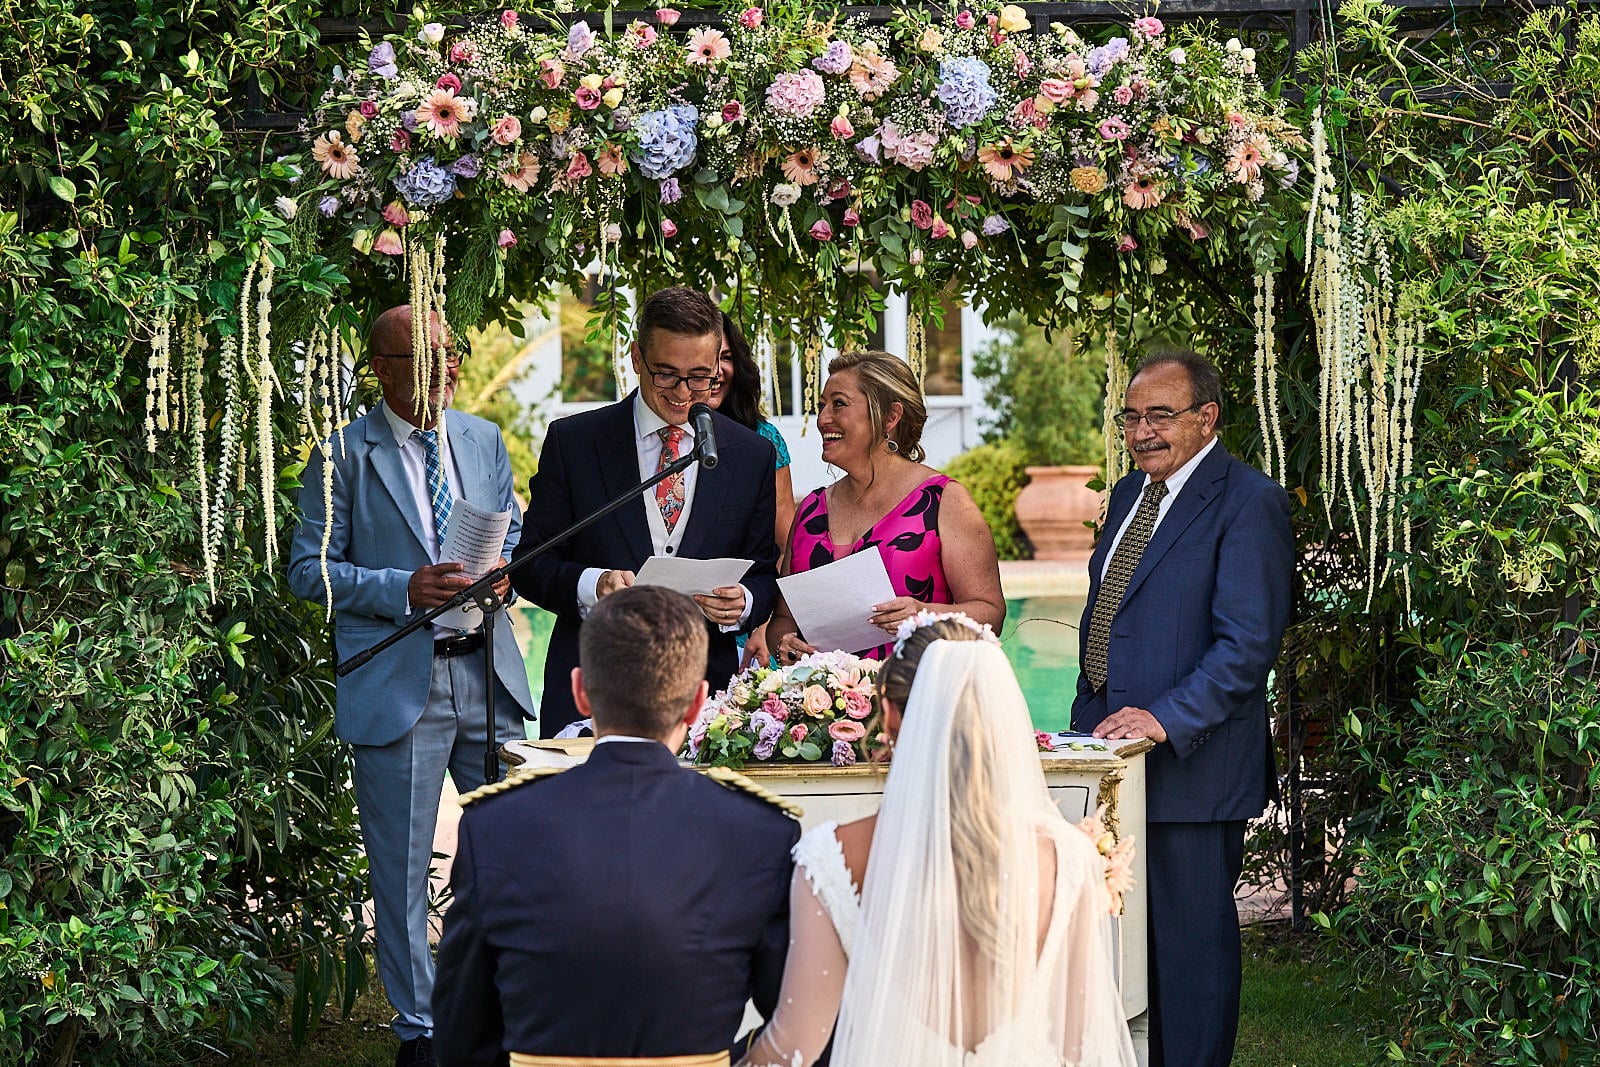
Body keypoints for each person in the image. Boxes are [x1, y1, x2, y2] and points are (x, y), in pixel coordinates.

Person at [286, 304, 534, 1067]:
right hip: (401, 682)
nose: (447, 370)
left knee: (518, 846)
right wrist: (403, 586)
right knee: (397, 871)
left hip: (487, 671)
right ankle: (421, 1033)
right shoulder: (340, 458)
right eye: (425, 358)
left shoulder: (483, 438)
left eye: (451, 354)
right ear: (383, 369)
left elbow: (515, 532)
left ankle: (507, 1006)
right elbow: (307, 571)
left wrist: (503, 577)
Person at [738, 614, 1137, 1067]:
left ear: (888, 715)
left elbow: (793, 1046)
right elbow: (1081, 1047)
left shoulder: (833, 858)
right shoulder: (1069, 857)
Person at [433, 585, 801, 1066]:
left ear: (581, 693)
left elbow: (461, 1035)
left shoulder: (495, 827)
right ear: (696, 705)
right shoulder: (761, 833)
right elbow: (792, 1018)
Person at [1070, 351, 1293, 1067]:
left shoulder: (1246, 499)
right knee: (1125, 949)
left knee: (1191, 960)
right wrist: (1087, 717)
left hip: (1191, 767)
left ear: (1207, 418)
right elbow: (1111, 614)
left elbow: (1248, 641)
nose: (1142, 431)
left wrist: (1163, 718)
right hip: (1114, 764)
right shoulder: (1134, 493)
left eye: (1160, 415)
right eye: (1132, 417)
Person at [512, 286, 781, 736]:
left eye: (700, 377)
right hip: (590, 690)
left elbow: (764, 572)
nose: (683, 393)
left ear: (718, 366)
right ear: (636, 357)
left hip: (706, 703)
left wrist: (744, 602)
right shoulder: (575, 442)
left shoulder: (749, 454)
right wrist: (592, 584)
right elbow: (530, 563)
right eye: (666, 375)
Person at [767, 350, 1005, 663]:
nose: (823, 419)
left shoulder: (944, 501)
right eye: (822, 405)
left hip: (917, 698)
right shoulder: (810, 510)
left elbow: (990, 614)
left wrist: (924, 614)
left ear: (890, 417)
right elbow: (783, 619)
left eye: (839, 403)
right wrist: (784, 642)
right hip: (824, 706)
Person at [706, 312, 796, 668]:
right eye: (704, 361)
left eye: (725, 357)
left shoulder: (764, 440)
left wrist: (764, 622)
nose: (713, 372)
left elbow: (787, 544)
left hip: (750, 626)